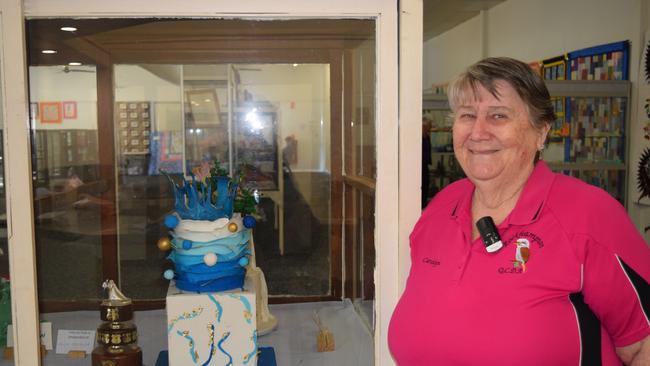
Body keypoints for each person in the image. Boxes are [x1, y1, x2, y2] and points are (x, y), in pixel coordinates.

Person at [388, 57, 650, 365]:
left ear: (541, 132)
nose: (478, 132)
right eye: (467, 115)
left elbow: (642, 344)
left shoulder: (588, 215)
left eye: (498, 115)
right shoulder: (441, 208)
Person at [422, 117, 432, 208]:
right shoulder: (419, 139)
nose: (429, 128)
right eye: (428, 126)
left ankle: (424, 205)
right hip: (419, 167)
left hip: (425, 165)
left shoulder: (427, 137)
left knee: (426, 185)